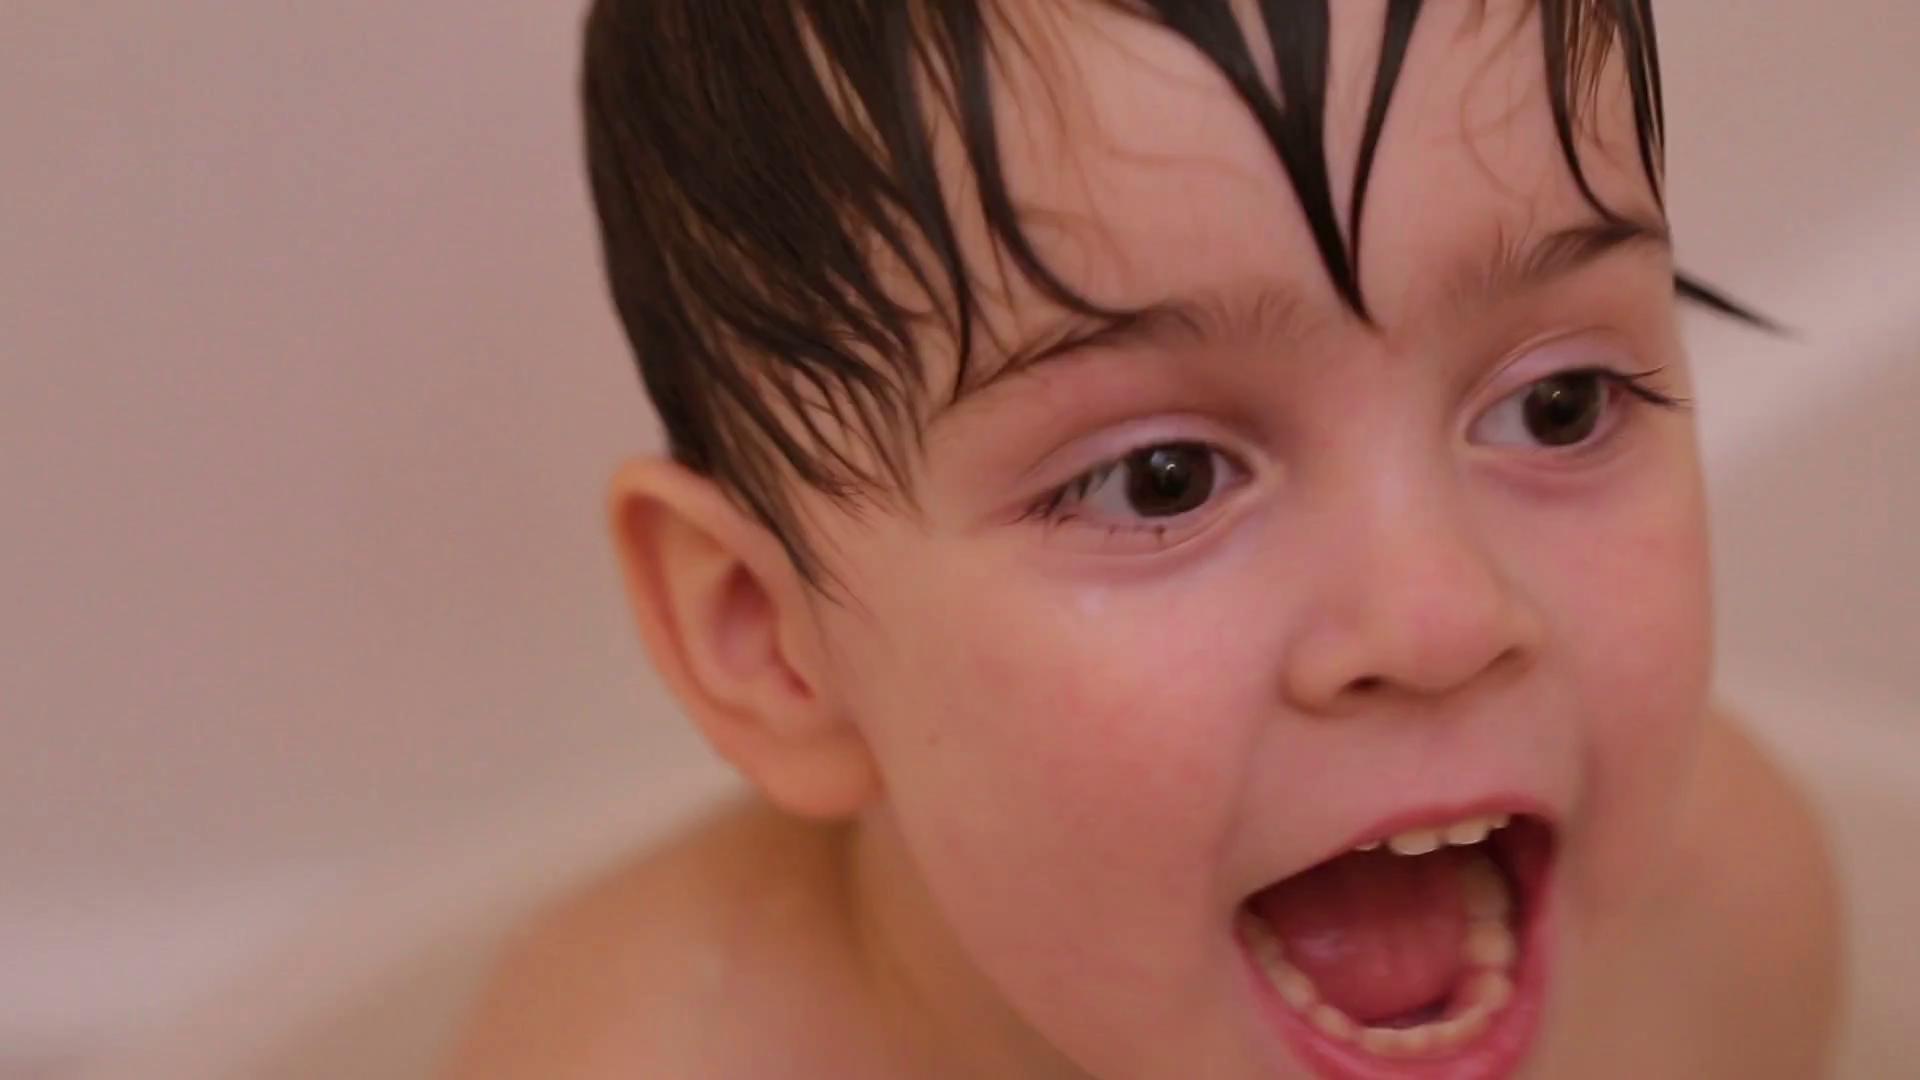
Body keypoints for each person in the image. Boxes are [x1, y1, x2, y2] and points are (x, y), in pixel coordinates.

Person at [442, 1, 1842, 1076]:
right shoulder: (644, 1054)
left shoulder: (1717, 940)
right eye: (1162, 482)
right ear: (772, 643)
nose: (1443, 617)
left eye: (1559, 404)